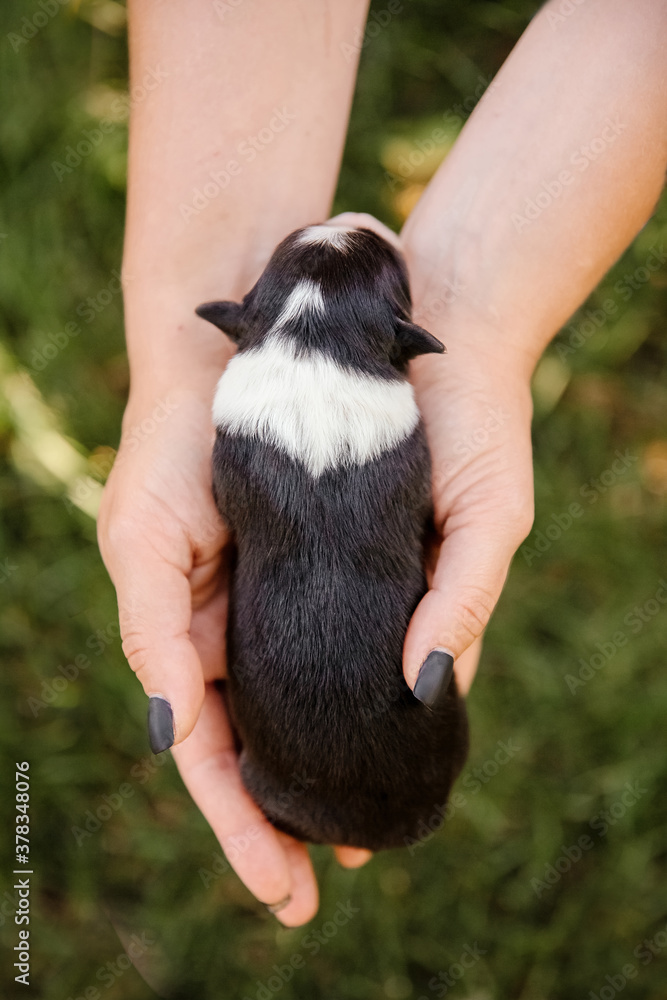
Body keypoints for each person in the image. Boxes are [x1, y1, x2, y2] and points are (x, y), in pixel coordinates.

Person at [98, 0, 667, 927]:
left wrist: (180, 378)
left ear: (241, 336)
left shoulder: (239, 441)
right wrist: (477, 317)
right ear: (403, 352)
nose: (353, 216)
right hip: (355, 744)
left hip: (292, 748)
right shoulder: (398, 448)